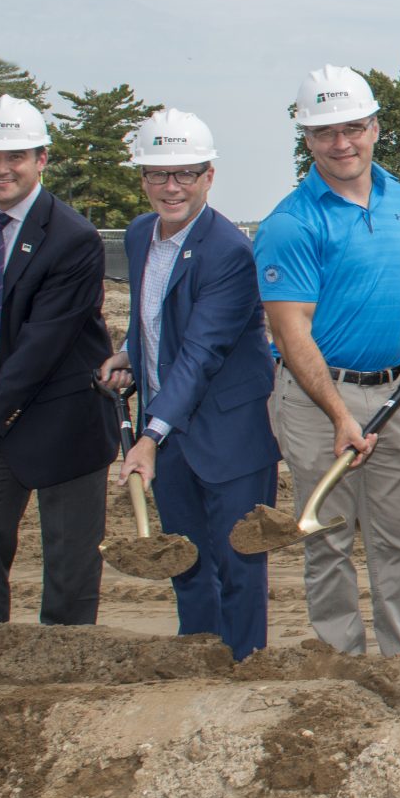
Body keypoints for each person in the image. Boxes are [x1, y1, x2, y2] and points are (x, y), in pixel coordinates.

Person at [256, 64, 400, 657]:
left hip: (396, 396)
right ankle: (342, 665)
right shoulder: (290, 223)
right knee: (329, 537)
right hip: (319, 400)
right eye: (324, 133)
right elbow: (292, 336)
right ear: (307, 140)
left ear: (374, 127)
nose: (341, 143)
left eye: (352, 128)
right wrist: (341, 414)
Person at [0, 95, 118, 627]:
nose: (2, 168)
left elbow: (42, 347)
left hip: (64, 415)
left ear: (42, 159)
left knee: (70, 561)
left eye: (16, 156)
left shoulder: (74, 238)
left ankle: (64, 666)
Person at [111, 107, 279, 661]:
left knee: (238, 563)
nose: (171, 186)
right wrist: (129, 357)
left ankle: (243, 666)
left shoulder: (229, 251)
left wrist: (149, 436)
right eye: (158, 173)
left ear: (209, 176)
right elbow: (154, 319)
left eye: (186, 173)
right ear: (141, 178)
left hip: (226, 432)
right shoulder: (140, 236)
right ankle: (198, 662)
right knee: (185, 559)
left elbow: (203, 351)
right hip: (167, 427)